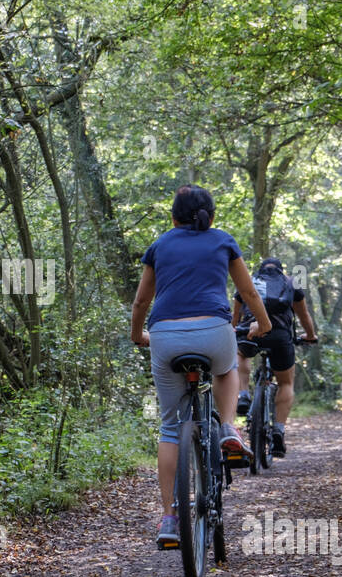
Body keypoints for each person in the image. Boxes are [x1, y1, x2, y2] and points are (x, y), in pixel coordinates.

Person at [130, 185, 273, 548]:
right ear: (212, 214)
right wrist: (264, 324)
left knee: (169, 427)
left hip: (165, 335)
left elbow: (142, 300)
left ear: (173, 216)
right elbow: (249, 293)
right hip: (214, 330)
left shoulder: (159, 245)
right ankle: (228, 427)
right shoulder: (223, 241)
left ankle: (168, 518)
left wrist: (138, 335)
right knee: (226, 370)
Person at [231, 257, 318, 457]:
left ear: (261, 270)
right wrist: (310, 336)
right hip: (280, 336)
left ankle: (243, 394)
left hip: (249, 333)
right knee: (286, 382)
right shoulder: (291, 283)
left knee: (241, 354)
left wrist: (233, 331)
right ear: (281, 270)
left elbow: (234, 318)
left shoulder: (248, 280)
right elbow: (303, 315)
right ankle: (279, 428)